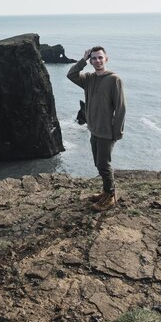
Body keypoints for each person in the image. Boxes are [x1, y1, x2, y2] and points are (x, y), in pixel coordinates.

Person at [67, 46, 126, 212]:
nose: (97, 61)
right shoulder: (89, 79)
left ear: (106, 58)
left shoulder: (114, 79)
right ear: (91, 61)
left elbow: (121, 108)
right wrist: (82, 60)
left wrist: (117, 132)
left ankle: (111, 197)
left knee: (104, 164)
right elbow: (71, 75)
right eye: (94, 58)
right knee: (98, 164)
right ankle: (106, 192)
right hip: (94, 129)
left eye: (100, 57)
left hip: (107, 131)